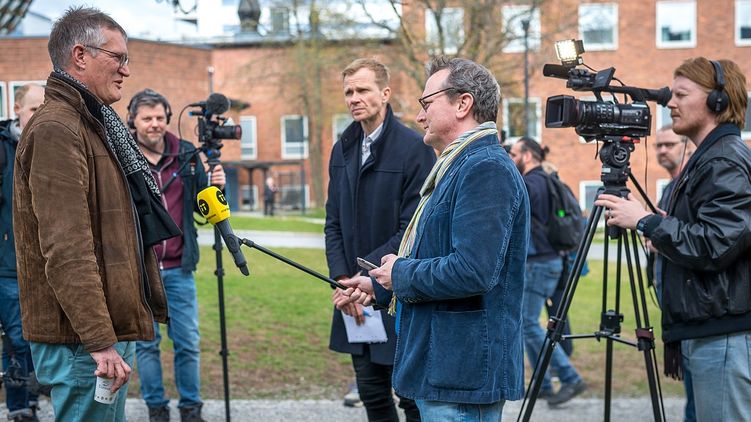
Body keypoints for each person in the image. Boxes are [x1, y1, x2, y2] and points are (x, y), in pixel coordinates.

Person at [13, 7, 180, 421]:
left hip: (97, 333)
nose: (126, 70)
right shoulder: (57, 129)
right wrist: (99, 339)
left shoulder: (94, 123)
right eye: (118, 57)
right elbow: (66, 248)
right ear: (80, 55)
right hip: (82, 340)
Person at [344, 56, 529, 421]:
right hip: (448, 371)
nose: (419, 116)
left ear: (463, 104)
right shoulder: (458, 165)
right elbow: (437, 253)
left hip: (462, 377)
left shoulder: (485, 168)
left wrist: (400, 274)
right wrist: (380, 284)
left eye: (427, 103)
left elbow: (473, 270)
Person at [594, 57, 751, 421]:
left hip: (723, 335)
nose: (670, 103)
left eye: (682, 94)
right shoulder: (712, 158)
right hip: (711, 329)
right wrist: (667, 226)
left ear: (717, 100)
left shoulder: (723, 160)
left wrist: (647, 222)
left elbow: (716, 244)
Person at [325, 58, 435, 421]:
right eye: (348, 92)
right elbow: (332, 222)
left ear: (385, 93)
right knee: (371, 392)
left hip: (397, 289)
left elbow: (412, 228)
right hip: (353, 294)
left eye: (362, 90)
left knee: (411, 398)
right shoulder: (342, 148)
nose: (354, 98)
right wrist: (342, 279)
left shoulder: (414, 147)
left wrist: (366, 277)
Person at [128, 88, 225, 422]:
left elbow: (203, 204)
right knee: (146, 344)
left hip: (179, 268)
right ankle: (156, 408)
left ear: (168, 118)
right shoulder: (122, 154)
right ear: (133, 120)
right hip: (141, 269)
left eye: (159, 117)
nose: (154, 124)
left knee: (187, 342)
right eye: (147, 118)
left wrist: (216, 186)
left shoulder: (185, 152)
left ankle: (191, 408)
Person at [509, 137, 587, 405]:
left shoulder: (530, 184)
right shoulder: (548, 179)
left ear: (527, 156)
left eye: (514, 154)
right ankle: (543, 384)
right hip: (550, 260)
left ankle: (569, 378)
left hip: (538, 263)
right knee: (528, 324)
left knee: (528, 324)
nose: (511, 158)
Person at [0, 83, 44, 422]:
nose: (40, 116)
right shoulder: (3, 148)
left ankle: (30, 400)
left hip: (45, 265)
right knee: (17, 338)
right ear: (17, 109)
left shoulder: (55, 146)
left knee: (37, 337)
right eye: (33, 109)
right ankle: (19, 406)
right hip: (9, 263)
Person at [646, 124, 696, 422]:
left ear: (686, 148)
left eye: (669, 144)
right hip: (671, 292)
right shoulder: (670, 187)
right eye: (658, 145)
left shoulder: (688, 186)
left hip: (689, 297)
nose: (662, 150)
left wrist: (658, 238)